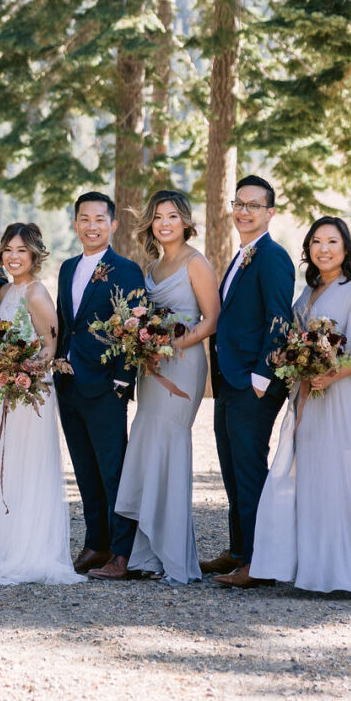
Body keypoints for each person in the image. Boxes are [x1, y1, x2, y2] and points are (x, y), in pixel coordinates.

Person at [250, 217, 351, 594]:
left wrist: (331, 374)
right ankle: (315, 563)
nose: (323, 249)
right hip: (309, 398)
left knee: (341, 476)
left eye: (332, 241)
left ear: (346, 248)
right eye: (316, 241)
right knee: (313, 476)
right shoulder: (308, 291)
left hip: (341, 400)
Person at [0, 223, 81, 584]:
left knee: (26, 465)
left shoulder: (37, 293)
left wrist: (24, 369)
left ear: (35, 254)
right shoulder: (6, 290)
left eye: (21, 250)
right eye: (8, 250)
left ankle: (25, 547)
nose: (13, 257)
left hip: (29, 394)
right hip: (3, 392)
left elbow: (50, 346)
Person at [114, 191, 220, 584]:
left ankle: (175, 555)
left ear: (186, 221)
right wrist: (145, 346)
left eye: (172, 216)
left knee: (170, 446)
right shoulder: (154, 266)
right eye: (158, 217)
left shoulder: (196, 262)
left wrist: (169, 345)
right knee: (149, 447)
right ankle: (148, 555)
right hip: (151, 369)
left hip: (183, 365)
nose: (164, 223)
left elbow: (210, 320)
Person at [206, 174, 294, 588]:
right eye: (239, 203)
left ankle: (258, 563)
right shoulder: (242, 255)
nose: (244, 211)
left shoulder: (272, 257)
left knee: (249, 470)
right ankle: (239, 550)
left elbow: (279, 318)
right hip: (230, 381)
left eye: (254, 205)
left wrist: (261, 377)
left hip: (253, 384)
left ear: (270, 213)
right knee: (231, 468)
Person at [54, 191, 146, 581]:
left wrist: (123, 379)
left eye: (98, 219)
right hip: (69, 383)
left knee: (113, 470)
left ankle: (124, 553)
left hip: (106, 384)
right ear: (75, 224)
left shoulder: (126, 270)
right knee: (85, 469)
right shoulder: (66, 268)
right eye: (83, 219)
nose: (91, 226)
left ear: (113, 224)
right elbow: (65, 322)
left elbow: (135, 325)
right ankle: (97, 543)